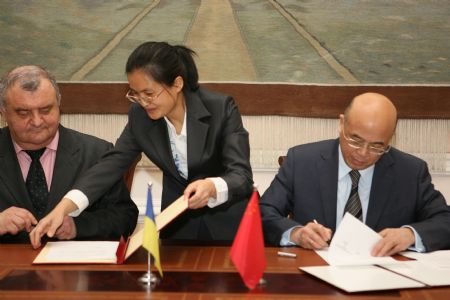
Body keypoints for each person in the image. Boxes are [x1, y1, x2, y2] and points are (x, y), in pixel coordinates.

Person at [30, 41, 253, 247]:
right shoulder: (140, 117)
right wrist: (64, 207)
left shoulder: (220, 108)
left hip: (231, 227)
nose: (143, 102)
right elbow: (110, 165)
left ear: (177, 84)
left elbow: (241, 176)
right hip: (178, 229)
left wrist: (213, 186)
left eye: (149, 93)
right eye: (135, 94)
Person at [260, 92, 450, 256]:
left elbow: (445, 220)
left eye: (377, 146)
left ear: (390, 138)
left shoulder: (410, 172)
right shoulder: (301, 162)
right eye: (355, 140)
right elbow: (263, 213)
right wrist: (296, 233)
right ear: (342, 124)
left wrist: (410, 234)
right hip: (314, 274)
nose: (363, 153)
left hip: (382, 282)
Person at [0, 65, 138, 243]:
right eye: (24, 113)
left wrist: (78, 226)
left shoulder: (96, 153)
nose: (36, 121)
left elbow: (125, 218)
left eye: (45, 110)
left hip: (73, 268)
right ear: (4, 113)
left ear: (59, 106)